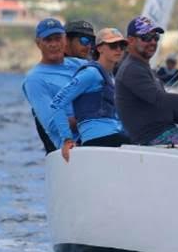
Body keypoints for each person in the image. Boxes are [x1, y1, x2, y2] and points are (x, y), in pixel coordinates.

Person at [115, 16, 178, 146]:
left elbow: (165, 108)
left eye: (156, 38)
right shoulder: (131, 69)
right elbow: (160, 99)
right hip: (151, 139)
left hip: (164, 134)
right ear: (130, 40)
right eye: (146, 37)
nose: (153, 42)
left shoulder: (145, 68)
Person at [50, 28, 131, 162]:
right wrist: (67, 139)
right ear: (99, 48)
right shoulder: (91, 73)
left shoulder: (111, 76)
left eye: (122, 46)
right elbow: (57, 103)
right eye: (113, 45)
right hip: (98, 139)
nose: (118, 50)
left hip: (113, 135)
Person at [22, 18, 85, 153]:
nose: (54, 44)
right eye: (48, 40)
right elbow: (54, 125)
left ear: (65, 40)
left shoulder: (80, 65)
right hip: (74, 147)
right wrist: (91, 117)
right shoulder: (34, 80)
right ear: (38, 43)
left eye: (57, 39)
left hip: (99, 133)